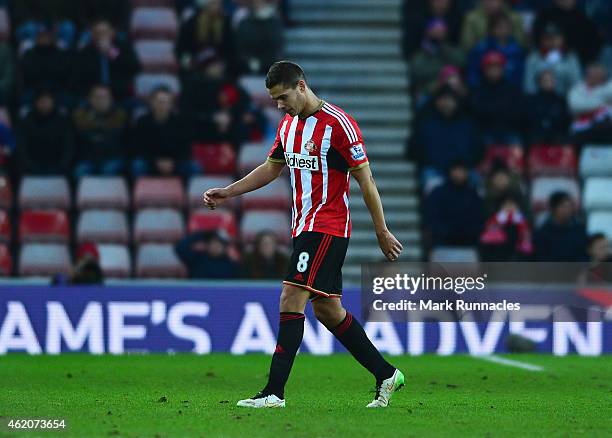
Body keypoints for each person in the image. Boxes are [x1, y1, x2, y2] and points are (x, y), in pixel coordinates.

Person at [203, 61, 405, 408]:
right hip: (303, 227)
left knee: (290, 296)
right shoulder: (287, 126)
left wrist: (381, 230)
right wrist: (229, 192)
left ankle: (273, 392)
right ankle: (386, 374)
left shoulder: (339, 126)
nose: (279, 105)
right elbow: (270, 168)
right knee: (328, 310)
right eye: (274, 100)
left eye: (283, 97)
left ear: (301, 86)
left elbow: (366, 181)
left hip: (327, 226)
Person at [410, 86, 483, 193]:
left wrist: (462, 167)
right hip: (436, 170)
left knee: (478, 183)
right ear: (436, 102)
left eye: (449, 99)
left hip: (464, 170)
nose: (446, 103)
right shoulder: (427, 124)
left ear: (456, 101)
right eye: (442, 99)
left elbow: (478, 149)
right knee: (429, 179)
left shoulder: (467, 124)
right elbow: (416, 150)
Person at [131, 87, 200, 178]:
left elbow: (185, 148)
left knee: (194, 167)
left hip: (176, 162)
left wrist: (173, 162)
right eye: (159, 101)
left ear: (171, 104)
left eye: (166, 102)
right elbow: (138, 148)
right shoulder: (142, 122)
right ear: (151, 103)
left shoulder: (180, 122)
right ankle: (139, 192)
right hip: (150, 161)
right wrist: (156, 161)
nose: (162, 105)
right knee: (137, 165)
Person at [72, 20, 141, 101]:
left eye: (104, 32)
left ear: (112, 32)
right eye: (97, 33)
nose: (101, 36)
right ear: (92, 35)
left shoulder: (123, 47)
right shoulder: (86, 52)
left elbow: (135, 68)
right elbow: (79, 76)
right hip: (93, 96)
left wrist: (111, 52)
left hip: (120, 95)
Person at [72, 84, 128, 178]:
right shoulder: (80, 116)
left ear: (111, 99)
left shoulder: (120, 116)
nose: (100, 100)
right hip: (88, 158)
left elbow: (119, 139)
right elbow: (81, 138)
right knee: (80, 171)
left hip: (112, 157)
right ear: (90, 99)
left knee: (108, 169)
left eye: (104, 97)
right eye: (97, 97)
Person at [424, 160, 484, 247]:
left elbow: (478, 218)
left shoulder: (473, 194)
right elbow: (432, 217)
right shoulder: (438, 193)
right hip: (442, 242)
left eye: (462, 170)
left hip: (468, 243)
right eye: (456, 170)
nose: (459, 173)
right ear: (450, 172)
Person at [470, 50, 525, 144]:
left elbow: (518, 114)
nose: (494, 71)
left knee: (516, 141)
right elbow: (477, 114)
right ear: (484, 69)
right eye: (490, 67)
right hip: (486, 132)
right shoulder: (477, 91)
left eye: (497, 67)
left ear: (503, 69)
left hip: (508, 131)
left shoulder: (513, 90)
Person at [16, 90, 74, 175]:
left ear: (53, 102)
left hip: (58, 166)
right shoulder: (26, 122)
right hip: (31, 167)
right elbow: (21, 147)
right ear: (35, 103)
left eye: (47, 101)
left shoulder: (63, 122)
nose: (44, 104)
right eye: (41, 101)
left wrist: (62, 166)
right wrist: (29, 165)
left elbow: (69, 146)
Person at [410, 19, 465, 103]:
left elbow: (461, 62)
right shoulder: (420, 55)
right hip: (428, 91)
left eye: (441, 31)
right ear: (428, 32)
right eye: (435, 30)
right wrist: (441, 78)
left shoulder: (451, 51)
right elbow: (417, 72)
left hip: (451, 90)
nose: (438, 33)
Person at [532, 0, 603, 65]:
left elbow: (594, 45)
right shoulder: (544, 17)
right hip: (546, 61)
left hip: (579, 64)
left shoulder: (584, 20)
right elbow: (537, 40)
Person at [467, 12, 524, 87]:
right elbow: (473, 74)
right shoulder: (481, 48)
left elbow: (519, 74)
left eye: (507, 27)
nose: (504, 30)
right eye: (500, 27)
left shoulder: (517, 49)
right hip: (485, 89)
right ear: (492, 29)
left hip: (510, 91)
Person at [176, 0, 234, 72]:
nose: (217, 6)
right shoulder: (191, 23)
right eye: (213, 3)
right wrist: (193, 64)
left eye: (219, 3)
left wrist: (223, 66)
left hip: (221, 71)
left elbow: (232, 52)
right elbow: (181, 51)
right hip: (196, 70)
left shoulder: (226, 24)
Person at [523, 24, 581, 96]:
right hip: (540, 100)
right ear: (541, 39)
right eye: (547, 37)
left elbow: (576, 82)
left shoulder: (570, 56)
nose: (552, 41)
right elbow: (529, 85)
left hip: (565, 99)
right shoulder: (533, 57)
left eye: (556, 37)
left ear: (562, 39)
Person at [534, 191, 587, 261]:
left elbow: (583, 255)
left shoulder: (579, 230)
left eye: (570, 206)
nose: (568, 210)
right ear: (553, 209)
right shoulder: (542, 233)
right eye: (563, 206)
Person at [234, 0, 284, 74]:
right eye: (255, 2)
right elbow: (240, 46)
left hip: (270, 67)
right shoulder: (244, 22)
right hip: (247, 67)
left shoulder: (273, 23)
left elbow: (276, 45)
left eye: (261, 2)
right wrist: (250, 60)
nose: (258, 4)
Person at [567, 63, 612, 144]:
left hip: (605, 129)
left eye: (598, 74)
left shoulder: (608, 86)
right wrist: (603, 104)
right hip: (582, 129)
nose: (596, 77)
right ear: (587, 75)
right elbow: (575, 107)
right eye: (593, 74)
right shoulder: (577, 89)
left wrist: (588, 102)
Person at [479, 193, 533, 261]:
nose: (510, 208)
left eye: (512, 205)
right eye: (507, 205)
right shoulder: (496, 218)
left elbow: (525, 231)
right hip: (497, 252)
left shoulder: (520, 219)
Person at [525, 70, 570, 144]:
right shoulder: (532, 100)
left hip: (556, 133)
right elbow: (529, 120)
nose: (549, 82)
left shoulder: (561, 100)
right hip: (537, 133)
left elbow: (565, 120)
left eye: (551, 80)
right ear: (539, 82)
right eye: (546, 80)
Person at [460, 0, 525, 51]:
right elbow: (467, 46)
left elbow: (520, 43)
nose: (490, 2)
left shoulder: (514, 18)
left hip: (509, 55)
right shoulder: (471, 19)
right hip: (481, 56)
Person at [175, 231, 240, 279]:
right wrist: (202, 233)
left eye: (218, 244)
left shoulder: (230, 263)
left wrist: (236, 263)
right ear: (207, 246)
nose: (215, 246)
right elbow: (180, 248)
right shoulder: (198, 258)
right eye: (212, 243)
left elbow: (241, 281)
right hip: (198, 294)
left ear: (225, 247)